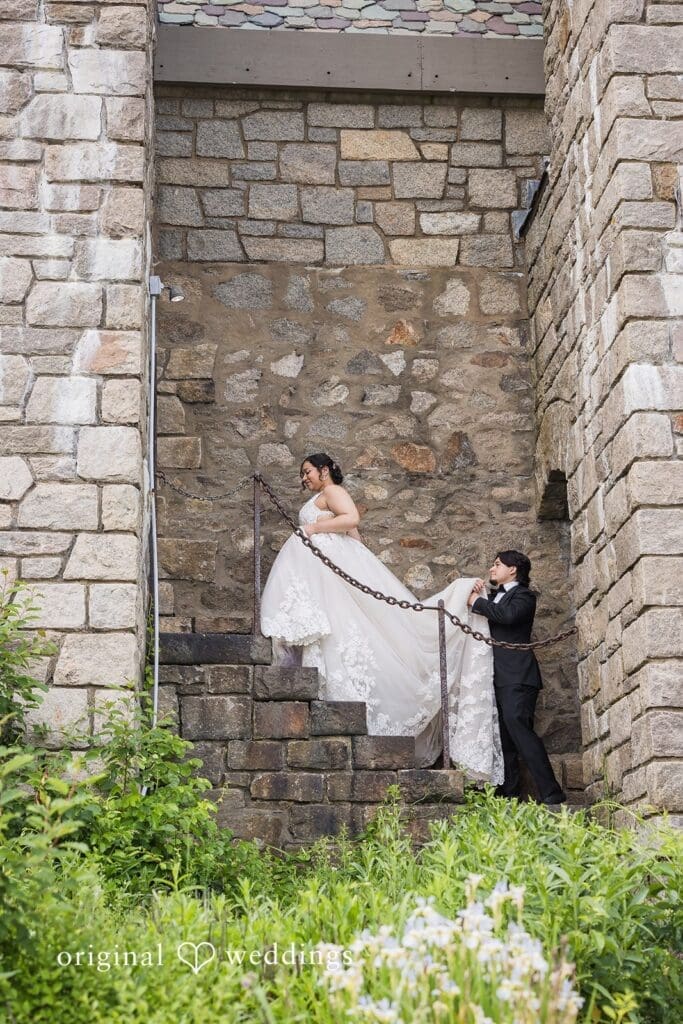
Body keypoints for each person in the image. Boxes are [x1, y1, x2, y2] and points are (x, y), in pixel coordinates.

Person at [260, 453, 504, 784]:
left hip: (327, 563)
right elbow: (354, 539)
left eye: (307, 472)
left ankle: (459, 594)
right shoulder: (320, 497)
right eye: (302, 474)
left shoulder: (330, 492)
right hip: (326, 569)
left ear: (325, 470)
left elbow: (350, 519)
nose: (304, 478)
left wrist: (314, 528)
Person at [467, 551, 567, 806]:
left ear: (513, 570)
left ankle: (552, 793)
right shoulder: (493, 596)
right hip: (497, 677)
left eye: (497, 564)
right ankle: (509, 796)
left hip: (518, 677)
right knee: (504, 739)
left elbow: (507, 617)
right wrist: (475, 593)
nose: (492, 568)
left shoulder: (524, 596)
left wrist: (476, 602)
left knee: (521, 731)